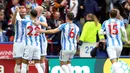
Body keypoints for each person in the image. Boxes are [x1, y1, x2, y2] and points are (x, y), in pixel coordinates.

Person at [11, 6, 28, 73]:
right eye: (22, 12)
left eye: (24, 12)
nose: (23, 13)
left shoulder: (28, 19)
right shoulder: (17, 19)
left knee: (26, 62)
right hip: (18, 42)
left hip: (27, 43)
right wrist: (15, 12)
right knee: (18, 62)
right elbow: (13, 22)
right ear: (19, 13)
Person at [35, 6, 48, 73]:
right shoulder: (33, 17)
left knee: (41, 59)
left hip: (41, 41)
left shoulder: (42, 18)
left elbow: (46, 25)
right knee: (36, 59)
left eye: (35, 10)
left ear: (39, 11)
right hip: (34, 41)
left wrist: (40, 22)